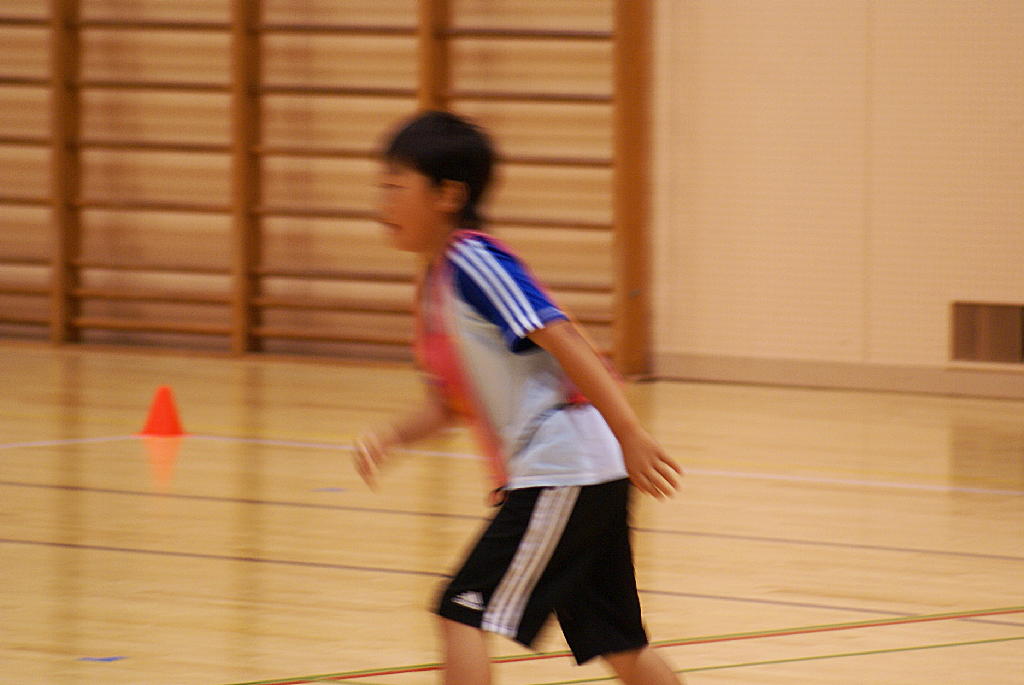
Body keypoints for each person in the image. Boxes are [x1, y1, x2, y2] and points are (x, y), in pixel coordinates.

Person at [355, 110, 684, 685]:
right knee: (617, 642)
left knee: (461, 611)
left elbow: (563, 337)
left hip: (564, 468)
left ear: (449, 195)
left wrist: (631, 432)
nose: (382, 203)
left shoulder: (474, 262)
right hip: (579, 470)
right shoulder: (435, 284)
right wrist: (391, 438)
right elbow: (447, 406)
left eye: (395, 186)